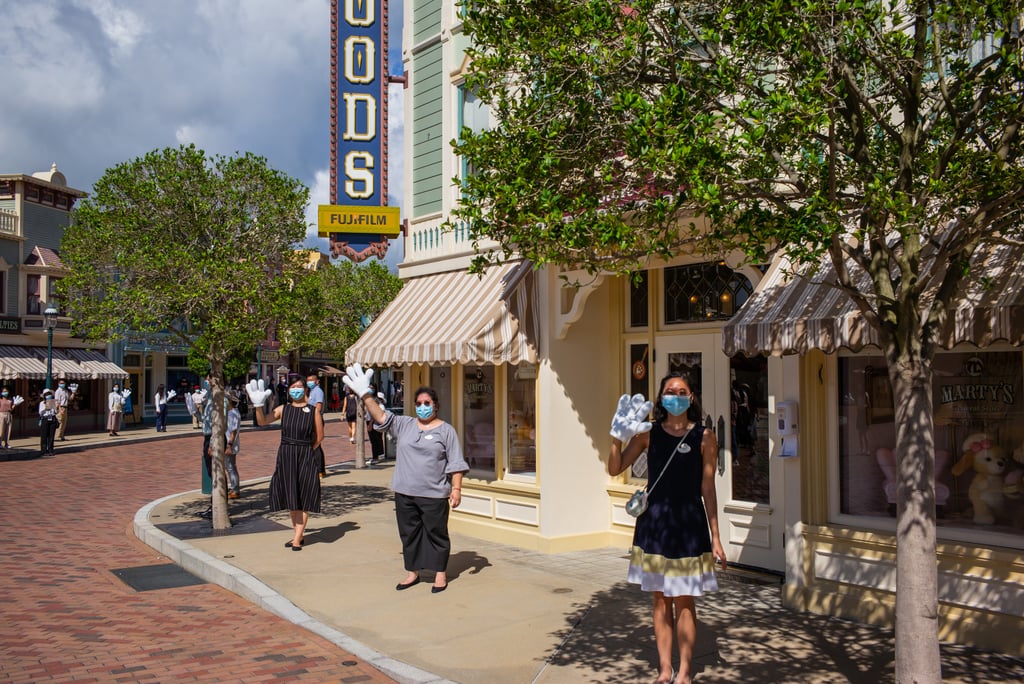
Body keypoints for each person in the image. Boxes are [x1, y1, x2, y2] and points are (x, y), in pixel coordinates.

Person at [607, 373, 727, 684]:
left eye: (682, 391)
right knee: (660, 599)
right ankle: (664, 670)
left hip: (688, 524)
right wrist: (615, 438)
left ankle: (684, 671)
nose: (676, 395)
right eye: (670, 391)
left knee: (685, 598)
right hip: (656, 525)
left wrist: (715, 537)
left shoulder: (705, 437)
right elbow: (614, 468)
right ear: (661, 398)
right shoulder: (648, 434)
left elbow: (708, 488)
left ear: (692, 397)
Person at [344, 363, 468, 593]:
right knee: (409, 534)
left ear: (436, 406)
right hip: (405, 492)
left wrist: (456, 489)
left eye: (427, 404)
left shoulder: (446, 431)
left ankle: (440, 574)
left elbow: (456, 463)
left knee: (436, 534)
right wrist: (365, 394)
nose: (422, 407)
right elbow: (381, 417)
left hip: (433, 494)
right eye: (418, 404)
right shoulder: (405, 424)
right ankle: (413, 572)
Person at [247, 373, 324, 550]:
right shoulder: (284, 409)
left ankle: (297, 538)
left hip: (304, 454)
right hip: (286, 454)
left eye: (299, 387)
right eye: (292, 387)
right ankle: (298, 533)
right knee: (292, 495)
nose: (295, 390)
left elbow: (319, 437)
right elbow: (262, 421)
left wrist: (306, 449)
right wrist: (258, 406)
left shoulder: (314, 411)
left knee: (304, 494)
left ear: (305, 390)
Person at [306, 372, 326, 478]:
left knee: (316, 444)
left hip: (315, 419)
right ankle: (320, 469)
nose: (309, 382)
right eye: (308, 381)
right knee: (315, 444)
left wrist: (314, 419)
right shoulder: (312, 391)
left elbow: (318, 406)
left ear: (316, 381)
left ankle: (319, 470)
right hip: (312, 418)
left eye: (311, 380)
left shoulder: (317, 391)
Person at [225, 390, 242, 499]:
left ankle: (235, 490)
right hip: (230, 444)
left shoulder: (233, 414)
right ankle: (234, 487)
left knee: (230, 468)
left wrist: (229, 445)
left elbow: (233, 431)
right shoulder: (231, 412)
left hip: (230, 445)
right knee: (231, 467)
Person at [366, 384, 386, 463]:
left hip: (374, 421)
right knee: (373, 439)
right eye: (369, 388)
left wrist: (371, 423)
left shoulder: (375, 400)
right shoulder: (368, 398)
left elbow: (375, 413)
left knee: (375, 439)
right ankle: (377, 456)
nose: (370, 389)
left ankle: (376, 457)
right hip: (369, 420)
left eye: (372, 388)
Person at [39, 389, 59, 457]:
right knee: (44, 435)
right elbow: (40, 412)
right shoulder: (42, 403)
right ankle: (44, 450)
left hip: (52, 419)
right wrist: (46, 407)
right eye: (47, 395)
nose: (48, 397)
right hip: (45, 419)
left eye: (49, 395)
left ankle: (51, 450)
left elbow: (56, 412)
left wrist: (55, 406)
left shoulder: (53, 402)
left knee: (51, 436)